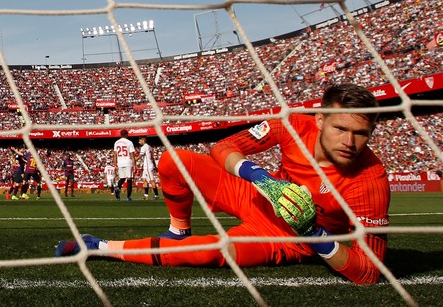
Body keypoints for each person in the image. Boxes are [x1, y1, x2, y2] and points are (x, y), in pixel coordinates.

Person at [55, 84, 390, 285]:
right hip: (258, 197)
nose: (350, 141)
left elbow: (367, 273)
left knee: (205, 253)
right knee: (174, 160)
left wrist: (315, 234)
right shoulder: (292, 125)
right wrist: (262, 179)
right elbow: (223, 147)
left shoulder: (370, 180)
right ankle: (177, 229)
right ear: (319, 120)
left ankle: (97, 246)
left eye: (361, 133)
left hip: (291, 239)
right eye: (340, 129)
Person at [113, 130, 136, 201]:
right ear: (126, 134)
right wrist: (134, 165)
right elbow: (132, 155)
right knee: (129, 179)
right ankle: (128, 197)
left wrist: (115, 164)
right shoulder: (129, 142)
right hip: (127, 162)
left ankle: (117, 187)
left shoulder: (116, 142)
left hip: (120, 163)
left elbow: (115, 154)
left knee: (122, 179)